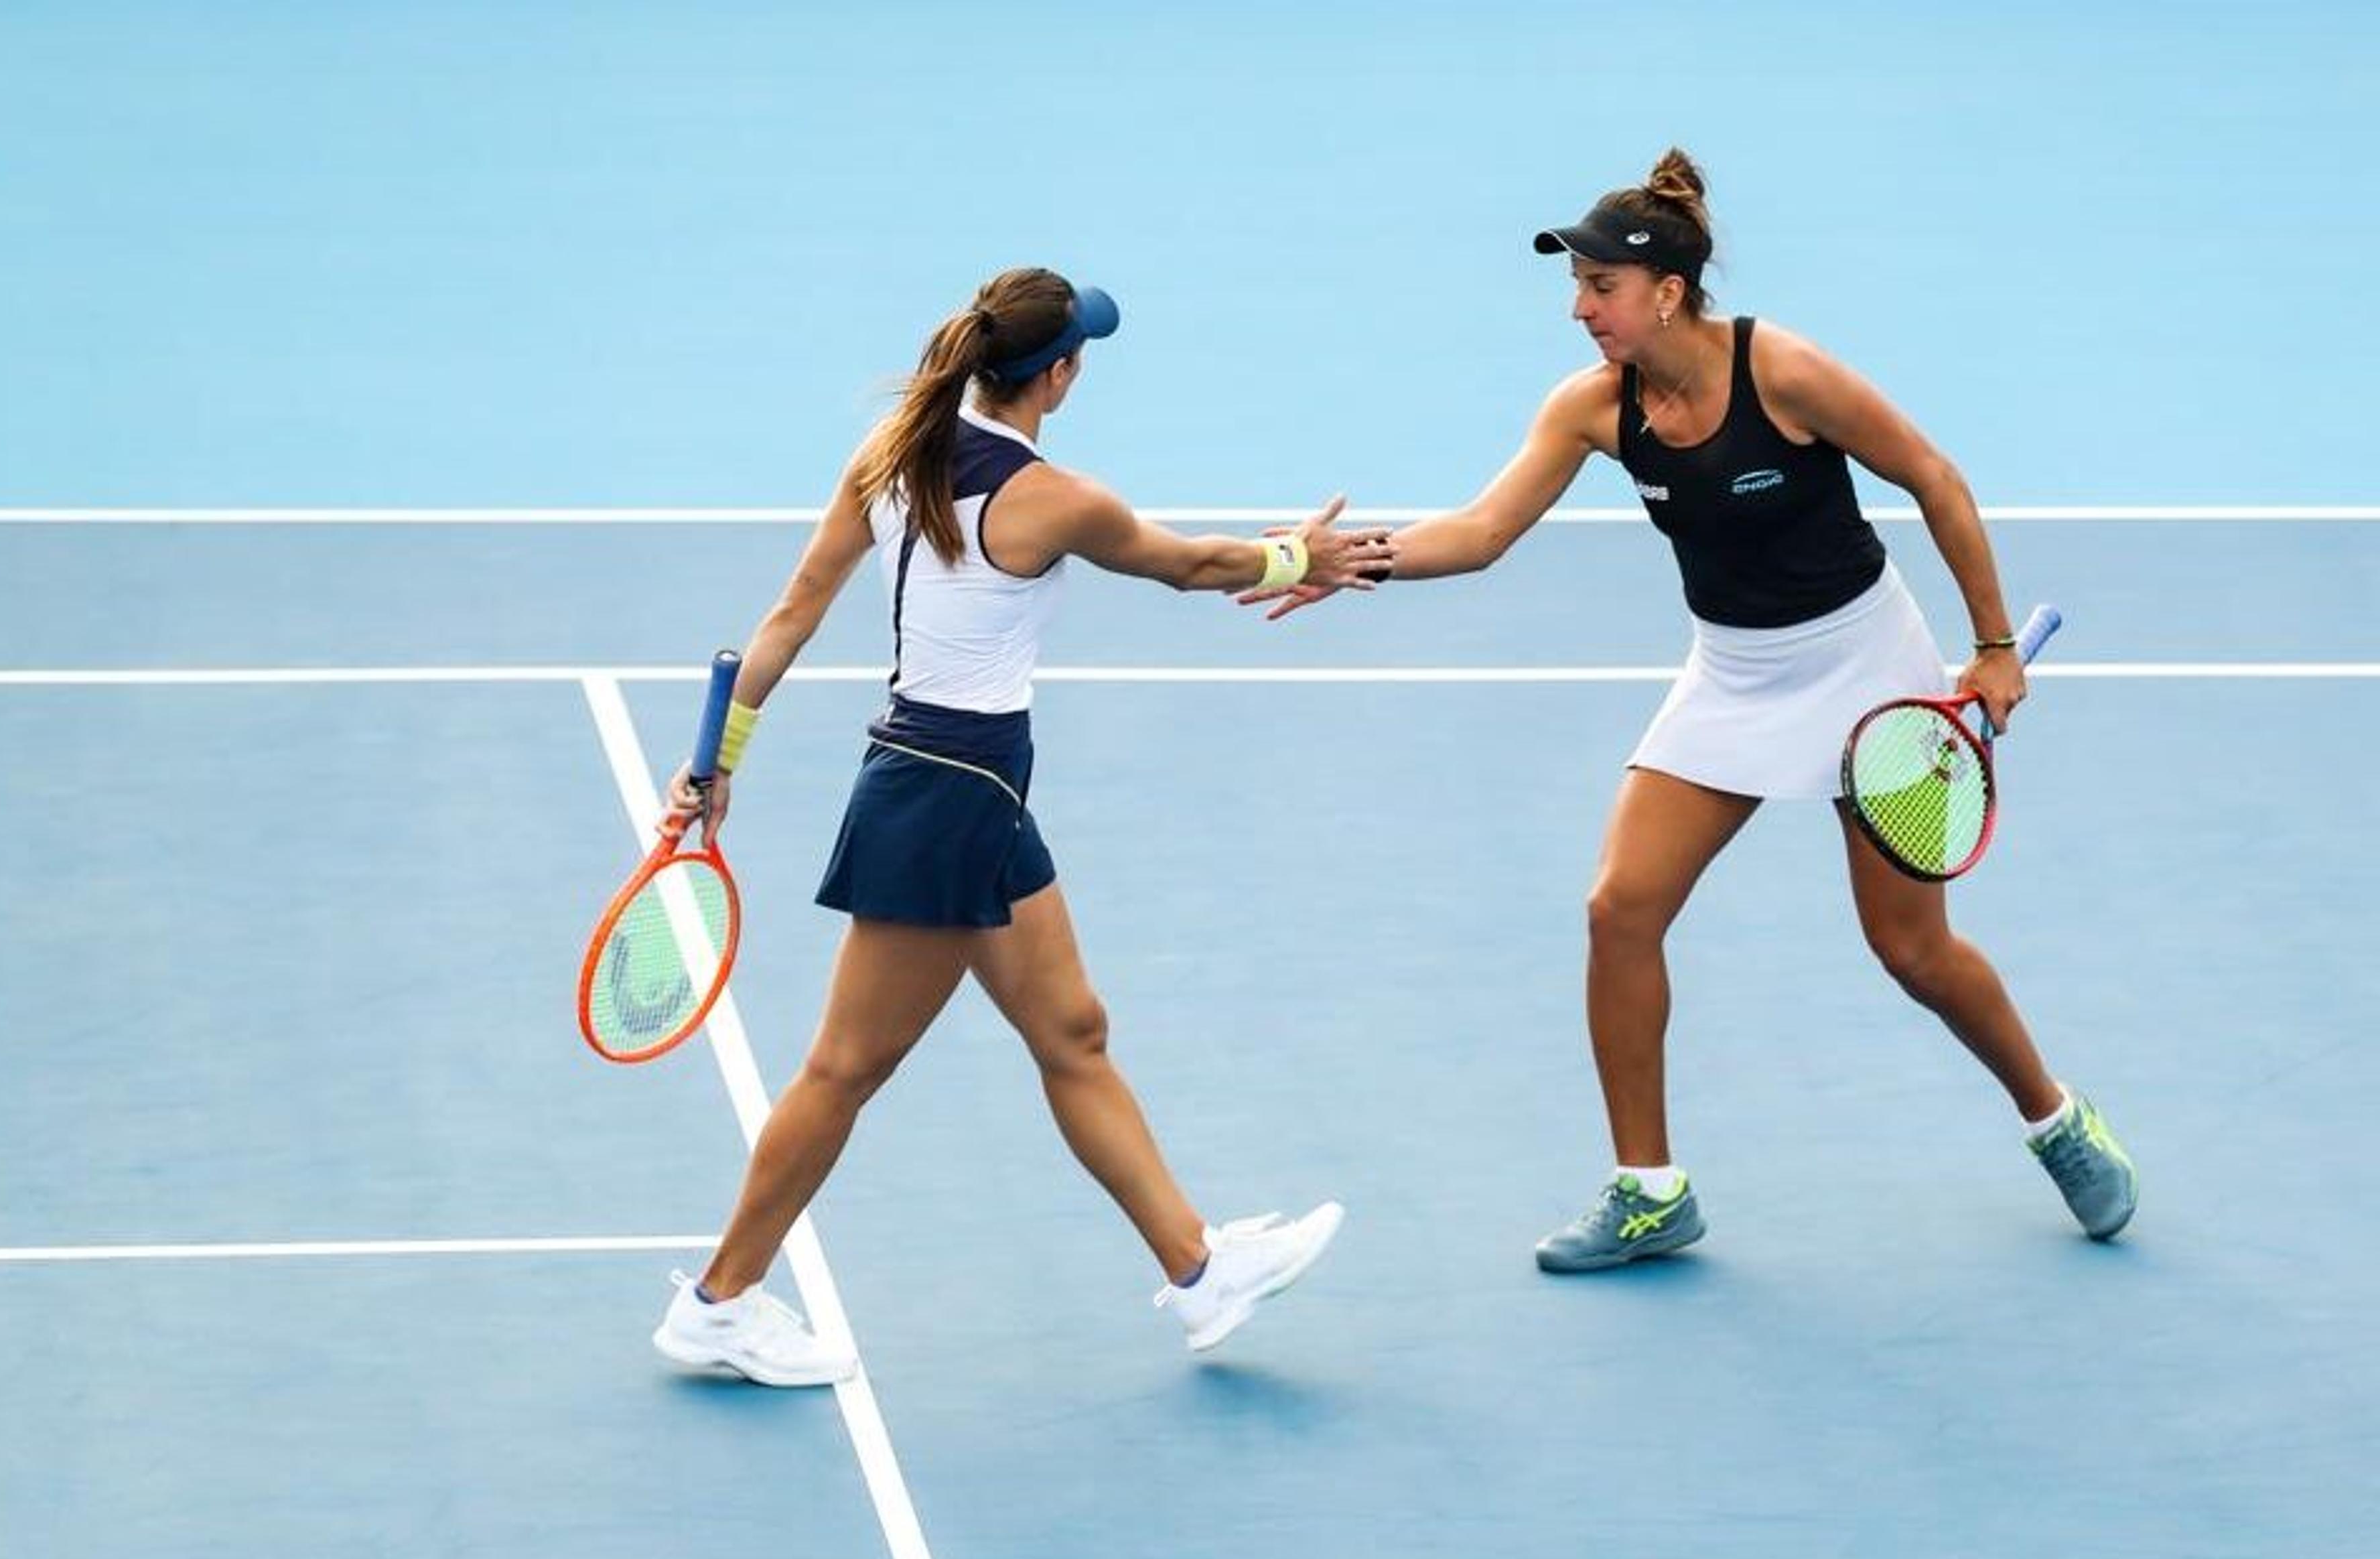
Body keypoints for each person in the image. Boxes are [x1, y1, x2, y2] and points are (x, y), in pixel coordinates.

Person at [1247, 150, 2136, 1270]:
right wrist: (1341, 561)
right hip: (1735, 675)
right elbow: (1478, 534)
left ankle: (2055, 1118)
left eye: (1598, 287)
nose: (1580, 309)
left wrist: (1995, 647)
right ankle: (1652, 1194)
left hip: (1871, 667)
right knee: (1621, 908)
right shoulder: (1592, 409)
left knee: (1912, 954)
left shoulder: (1787, 372)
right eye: (1574, 287)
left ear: (1665, 291)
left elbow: (1935, 477)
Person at [650, 269, 1385, 1384]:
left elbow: (792, 611)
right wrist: (1300, 557)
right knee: (845, 1069)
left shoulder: (894, 452)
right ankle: (720, 1301)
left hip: (967, 791)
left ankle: (1200, 1274)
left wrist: (718, 763)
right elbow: (1187, 565)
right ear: (1061, 374)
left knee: (1072, 1032)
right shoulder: (1054, 498)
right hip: (945, 799)